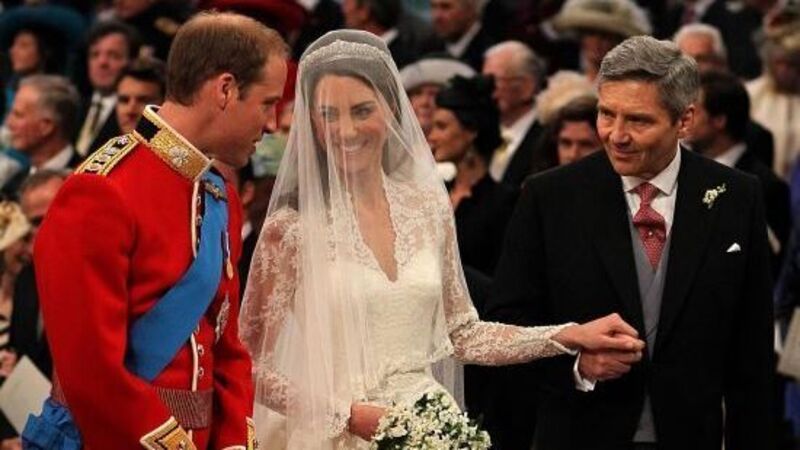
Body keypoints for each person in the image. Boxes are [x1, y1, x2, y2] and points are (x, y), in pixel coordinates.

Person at [239, 29, 644, 449]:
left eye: (362, 110)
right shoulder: (291, 228)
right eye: (328, 115)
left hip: (430, 422)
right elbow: (247, 362)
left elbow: (462, 333)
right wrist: (346, 415)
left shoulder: (427, 207)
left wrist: (566, 335)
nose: (346, 130)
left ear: (392, 109)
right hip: (333, 435)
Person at [485, 35, 775, 449]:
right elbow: (506, 327)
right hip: (580, 435)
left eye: (638, 121)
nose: (616, 135)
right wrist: (576, 366)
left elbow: (753, 353)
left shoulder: (737, 196)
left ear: (685, 121)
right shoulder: (549, 197)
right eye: (607, 114)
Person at [22, 12, 288, 450]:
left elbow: (227, 349)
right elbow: (91, 370)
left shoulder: (218, 195)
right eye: (266, 103)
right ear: (225, 89)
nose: (273, 123)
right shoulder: (100, 190)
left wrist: (233, 443)